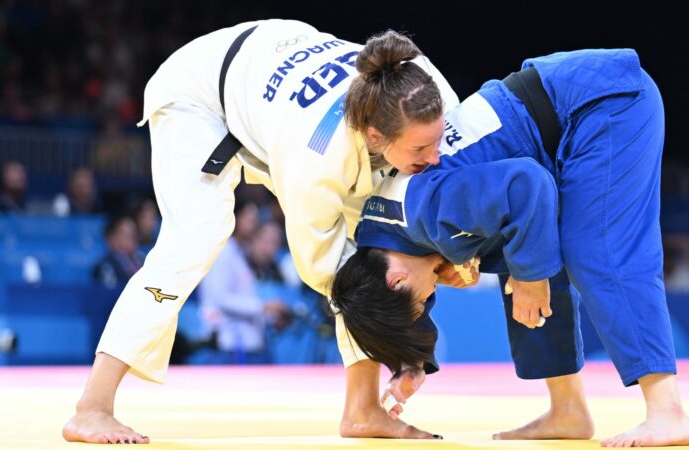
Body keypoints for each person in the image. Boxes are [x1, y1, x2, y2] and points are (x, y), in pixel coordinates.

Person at [62, 20, 459, 444]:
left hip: (270, 75)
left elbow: (456, 184)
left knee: (376, 237)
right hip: (201, 95)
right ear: (376, 135)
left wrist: (453, 257)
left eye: (433, 142)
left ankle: (363, 410)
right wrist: (404, 343)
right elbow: (337, 278)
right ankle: (92, 407)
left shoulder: (426, 92)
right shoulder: (318, 158)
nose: (434, 156)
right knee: (196, 235)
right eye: (420, 149)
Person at [331, 49, 689, 447]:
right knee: (522, 251)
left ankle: (667, 411)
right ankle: (568, 410)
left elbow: (529, 184)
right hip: (564, 111)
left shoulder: (424, 208)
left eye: (425, 299)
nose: (434, 293)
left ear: (396, 279)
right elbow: (407, 289)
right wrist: (412, 361)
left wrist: (532, 278)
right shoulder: (378, 229)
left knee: (594, 252)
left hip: (602, 102)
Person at [198, 202, 289, 364]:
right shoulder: (223, 251)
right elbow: (220, 297)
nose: (253, 224)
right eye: (249, 218)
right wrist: (263, 306)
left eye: (255, 219)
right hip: (229, 343)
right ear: (235, 218)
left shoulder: (239, 252)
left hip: (248, 342)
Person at [92, 215, 145, 288]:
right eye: (126, 235)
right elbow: (108, 295)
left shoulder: (145, 260)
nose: (131, 239)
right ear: (111, 239)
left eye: (133, 234)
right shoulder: (106, 267)